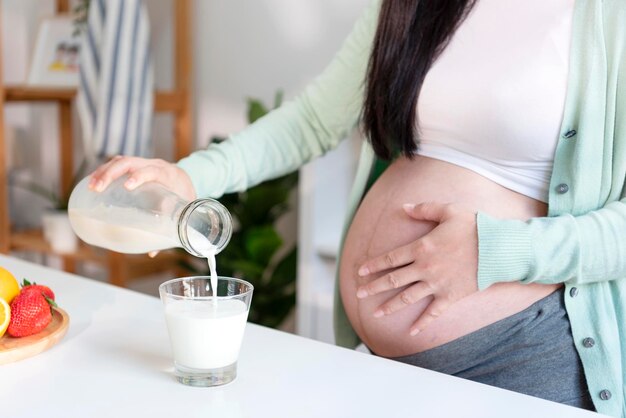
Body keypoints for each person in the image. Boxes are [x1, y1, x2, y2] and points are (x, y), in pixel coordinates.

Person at [89, 1, 626, 416]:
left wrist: (497, 250)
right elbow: (313, 120)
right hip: (388, 370)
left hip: (522, 357)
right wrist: (194, 175)